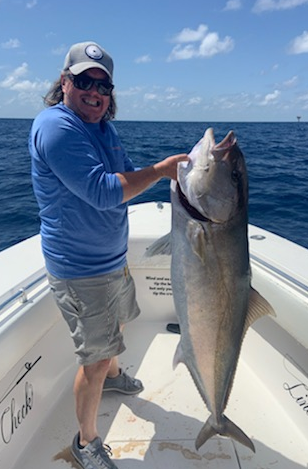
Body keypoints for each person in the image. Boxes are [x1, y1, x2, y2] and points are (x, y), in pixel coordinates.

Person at [29, 41, 188, 469]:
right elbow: (104, 192)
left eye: (103, 85)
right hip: (80, 270)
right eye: (84, 81)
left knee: (118, 324)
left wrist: (176, 181)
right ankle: (86, 443)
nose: (95, 92)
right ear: (64, 82)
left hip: (112, 258)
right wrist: (160, 171)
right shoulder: (56, 128)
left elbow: (127, 176)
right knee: (96, 358)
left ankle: (116, 379)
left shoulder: (104, 129)